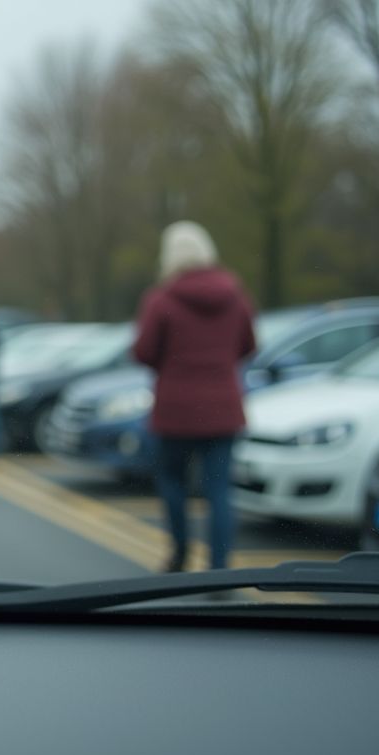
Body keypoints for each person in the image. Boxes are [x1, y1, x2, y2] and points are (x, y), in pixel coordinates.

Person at [132, 221, 256, 573]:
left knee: (173, 484)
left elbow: (143, 352)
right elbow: (248, 345)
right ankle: (219, 570)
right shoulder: (236, 296)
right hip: (224, 408)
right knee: (219, 492)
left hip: (176, 410)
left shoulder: (161, 299)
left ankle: (180, 556)